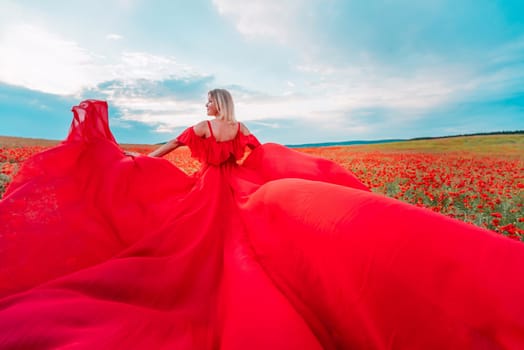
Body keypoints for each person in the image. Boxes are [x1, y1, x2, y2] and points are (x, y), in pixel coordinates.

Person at [0, 90, 523, 349]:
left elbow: (168, 150)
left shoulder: (200, 126)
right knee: (244, 246)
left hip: (205, 192)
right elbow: (250, 156)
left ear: (211, 104)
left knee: (194, 254)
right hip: (237, 188)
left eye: (209, 99)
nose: (208, 104)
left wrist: (136, 163)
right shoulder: (239, 125)